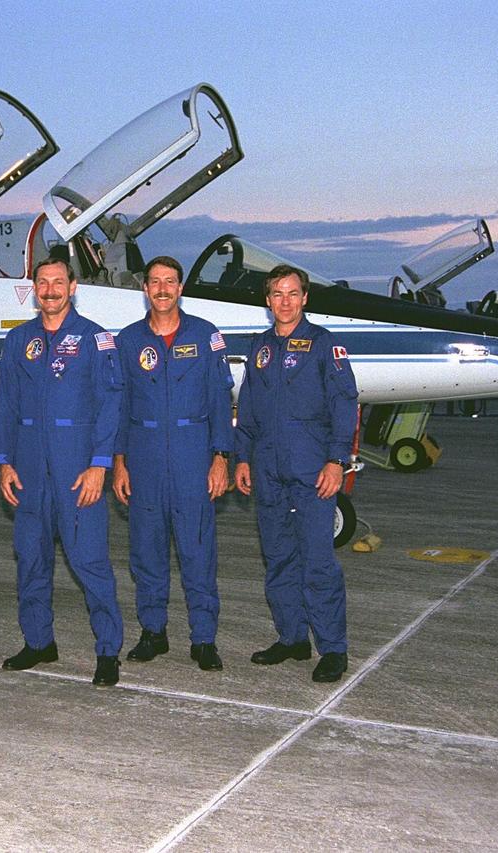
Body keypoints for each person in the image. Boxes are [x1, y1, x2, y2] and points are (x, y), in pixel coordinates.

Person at [0, 257, 125, 686]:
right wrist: (5, 462)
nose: (49, 289)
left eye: (57, 282)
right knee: (31, 560)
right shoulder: (19, 340)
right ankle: (38, 642)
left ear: (73, 287)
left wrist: (99, 465)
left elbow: (111, 406)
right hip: (29, 467)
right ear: (34, 289)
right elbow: (8, 403)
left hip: (77, 468)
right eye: (42, 282)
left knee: (89, 562)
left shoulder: (95, 338)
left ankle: (107, 651)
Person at [234, 264, 358, 683]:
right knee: (279, 560)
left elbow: (345, 405)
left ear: (305, 298)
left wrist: (337, 461)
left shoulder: (325, 346)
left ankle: (333, 648)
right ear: (267, 301)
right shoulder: (260, 348)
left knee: (318, 563)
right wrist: (243, 457)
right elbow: (248, 407)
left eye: (292, 293)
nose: (284, 301)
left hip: (312, 471)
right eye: (276, 294)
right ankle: (292, 638)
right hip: (268, 470)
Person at [112, 256, 233, 671]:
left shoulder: (205, 336)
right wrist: (120, 462)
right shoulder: (128, 341)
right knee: (146, 552)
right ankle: (153, 632)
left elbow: (220, 401)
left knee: (198, 552)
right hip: (143, 458)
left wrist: (221, 458)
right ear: (145, 289)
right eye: (155, 282)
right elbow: (119, 405)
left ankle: (203, 639)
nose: (162, 289)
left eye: (170, 282)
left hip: (192, 455)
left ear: (180, 288)